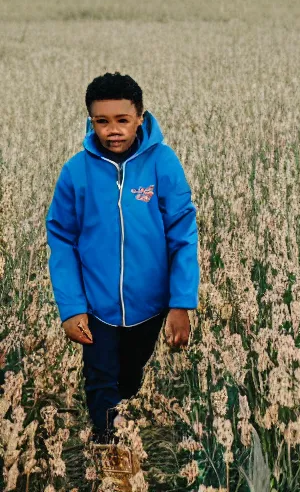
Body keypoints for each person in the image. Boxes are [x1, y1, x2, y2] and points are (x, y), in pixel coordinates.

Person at [45, 72, 200, 443]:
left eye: (122, 120)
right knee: (100, 380)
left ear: (140, 119)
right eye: (102, 121)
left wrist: (181, 303)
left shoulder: (163, 163)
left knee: (129, 378)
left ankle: (123, 418)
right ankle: (108, 452)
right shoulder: (75, 172)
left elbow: (183, 235)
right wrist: (71, 308)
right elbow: (61, 240)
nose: (112, 130)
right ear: (91, 121)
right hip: (95, 308)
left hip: (149, 307)